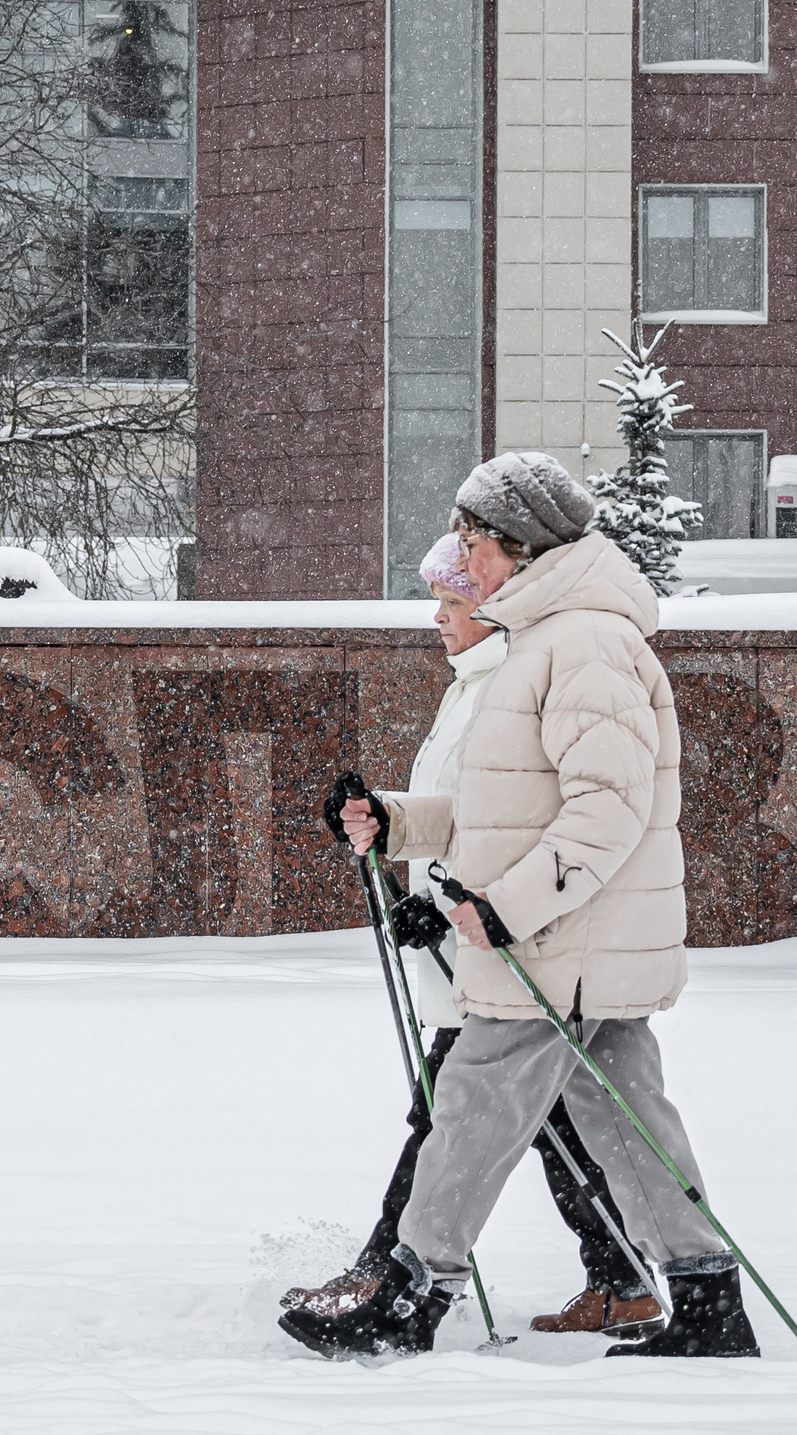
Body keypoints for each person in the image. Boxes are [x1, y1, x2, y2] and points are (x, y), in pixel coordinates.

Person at [284, 451, 758, 1363]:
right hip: (575, 937)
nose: (466, 562)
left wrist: (505, 908)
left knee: (474, 1101)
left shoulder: (581, 642)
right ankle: (706, 1301)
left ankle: (410, 1294)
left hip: (558, 940)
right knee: (624, 1115)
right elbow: (510, 807)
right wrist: (396, 822)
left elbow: (606, 807)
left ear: (520, 544)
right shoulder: (545, 637)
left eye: (473, 542)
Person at [281, 535, 662, 1339]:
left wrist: (466, 902)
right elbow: (463, 814)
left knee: (454, 1108)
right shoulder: (470, 687)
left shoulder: (511, 685)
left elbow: (532, 821)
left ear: (491, 609)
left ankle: (392, 1271)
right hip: (473, 934)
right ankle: (620, 1275)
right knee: (534, 1113)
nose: (438, 617)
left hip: (503, 938)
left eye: (452, 602)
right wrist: (385, 821)